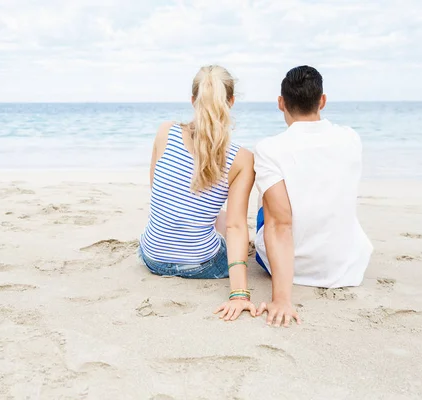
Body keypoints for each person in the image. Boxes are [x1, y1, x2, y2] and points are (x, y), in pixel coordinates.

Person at [254, 65, 373, 327]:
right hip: (348, 265)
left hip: (293, 267)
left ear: (280, 103)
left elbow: (279, 224)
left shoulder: (269, 149)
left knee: (268, 207)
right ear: (322, 101)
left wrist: (282, 300)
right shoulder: (351, 138)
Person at [139, 65, 256, 321]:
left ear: (193, 100)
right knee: (239, 234)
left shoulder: (165, 131)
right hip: (199, 263)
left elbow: (159, 193)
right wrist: (239, 294)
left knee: (211, 213)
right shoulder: (241, 159)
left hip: (151, 256)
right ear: (231, 102)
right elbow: (236, 226)